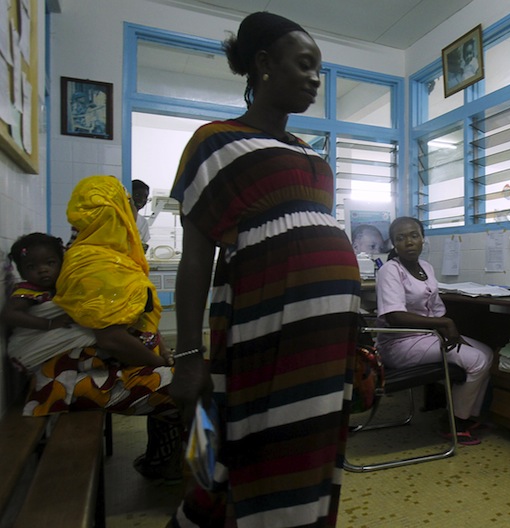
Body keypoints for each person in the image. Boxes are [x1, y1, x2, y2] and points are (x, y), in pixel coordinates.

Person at [168, 11, 361, 527]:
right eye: (304, 65)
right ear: (263, 65)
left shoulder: (308, 153)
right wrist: (189, 356)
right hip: (259, 326)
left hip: (324, 336)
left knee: (312, 443)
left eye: (319, 70)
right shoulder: (216, 141)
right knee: (242, 442)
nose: (315, 79)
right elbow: (196, 256)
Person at [4, 176, 182, 482]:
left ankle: (161, 461)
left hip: (74, 371)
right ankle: (176, 468)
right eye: (125, 205)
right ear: (115, 213)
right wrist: (160, 361)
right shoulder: (95, 265)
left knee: (181, 377)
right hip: (67, 382)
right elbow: (111, 339)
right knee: (192, 385)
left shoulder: (89, 256)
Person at [375, 216, 493, 446]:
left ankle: (469, 416)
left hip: (428, 338)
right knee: (476, 360)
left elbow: (436, 310)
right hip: (400, 344)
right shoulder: (390, 270)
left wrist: (444, 327)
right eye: (401, 238)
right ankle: (454, 423)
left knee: (487, 353)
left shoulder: (426, 267)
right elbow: (394, 316)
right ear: (394, 244)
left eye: (414, 236)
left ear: (422, 239)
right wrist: (445, 325)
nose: (408, 242)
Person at [1, 233, 73, 336]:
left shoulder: (64, 285)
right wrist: (49, 323)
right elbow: (9, 314)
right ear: (21, 272)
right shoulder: (28, 291)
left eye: (50, 263)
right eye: (31, 267)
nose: (42, 270)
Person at [131, 179, 151, 253]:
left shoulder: (143, 222)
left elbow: (143, 245)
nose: (142, 199)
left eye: (145, 197)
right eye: (137, 195)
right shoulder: (117, 216)